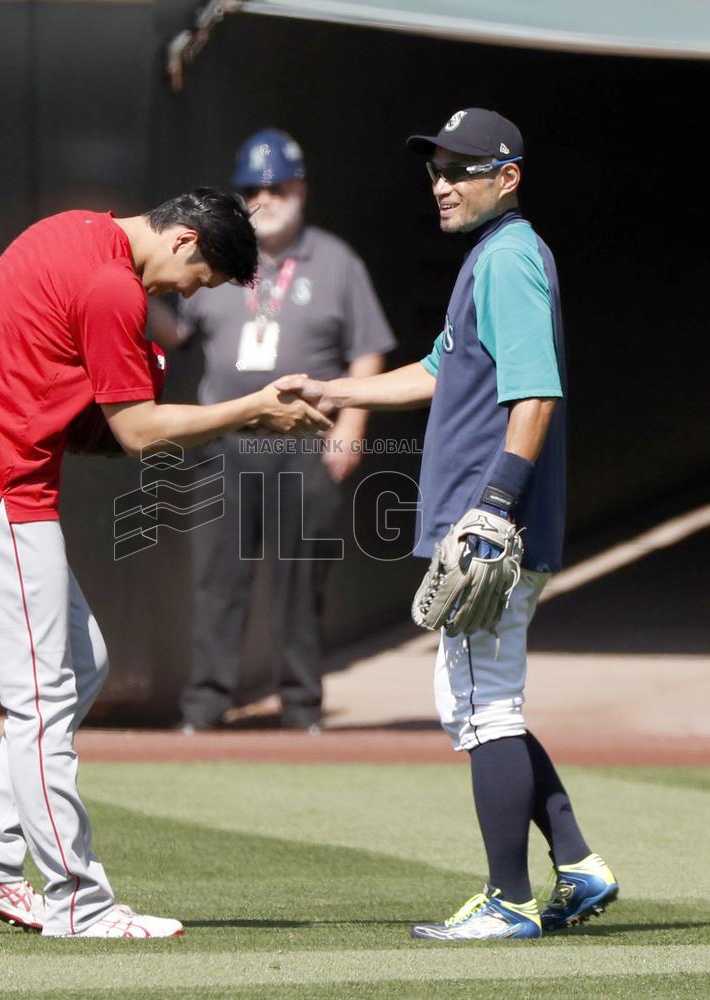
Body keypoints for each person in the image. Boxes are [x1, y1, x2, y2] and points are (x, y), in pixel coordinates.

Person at [0, 189, 331, 940]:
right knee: (39, 701)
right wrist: (252, 408)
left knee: (82, 663)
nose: (183, 292)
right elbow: (138, 434)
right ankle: (77, 902)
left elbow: (70, 399)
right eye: (197, 279)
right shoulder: (111, 286)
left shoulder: (75, 230)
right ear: (186, 239)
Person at [277, 109, 617, 940]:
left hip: (493, 521)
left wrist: (494, 504)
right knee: (485, 701)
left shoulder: (506, 260)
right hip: (495, 518)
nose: (441, 183)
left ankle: (507, 902)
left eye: (462, 169)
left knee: (480, 710)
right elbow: (440, 368)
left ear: (507, 177)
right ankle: (574, 865)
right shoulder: (492, 259)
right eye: (435, 168)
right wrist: (338, 392)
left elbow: (535, 394)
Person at [151, 129, 395, 733]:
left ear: (300, 189)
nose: (265, 197)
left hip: (302, 444)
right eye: (252, 187)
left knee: (299, 582)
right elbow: (175, 331)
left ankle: (301, 708)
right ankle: (205, 707)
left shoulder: (336, 261)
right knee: (218, 581)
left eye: (277, 185)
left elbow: (368, 350)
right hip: (223, 445)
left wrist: (352, 425)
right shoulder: (219, 259)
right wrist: (126, 283)